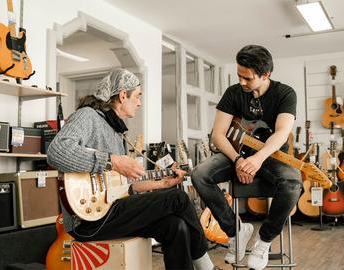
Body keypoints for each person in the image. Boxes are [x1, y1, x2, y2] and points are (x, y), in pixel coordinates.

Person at [47, 67, 218, 270]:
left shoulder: (116, 133)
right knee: (178, 198)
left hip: (110, 212)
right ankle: (206, 266)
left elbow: (124, 188)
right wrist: (113, 161)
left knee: (175, 226)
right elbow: (56, 151)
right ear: (122, 95)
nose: (139, 102)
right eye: (137, 96)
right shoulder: (88, 116)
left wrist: (162, 183)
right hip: (86, 221)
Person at [191, 45, 302, 270]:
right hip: (236, 153)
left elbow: (282, 132)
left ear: (265, 74)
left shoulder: (285, 93)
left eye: (247, 78)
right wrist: (238, 160)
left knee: (293, 181)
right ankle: (236, 232)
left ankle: (264, 241)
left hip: (270, 156)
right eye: (239, 75)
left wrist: (258, 159)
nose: (241, 82)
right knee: (199, 174)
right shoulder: (233, 93)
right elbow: (218, 134)